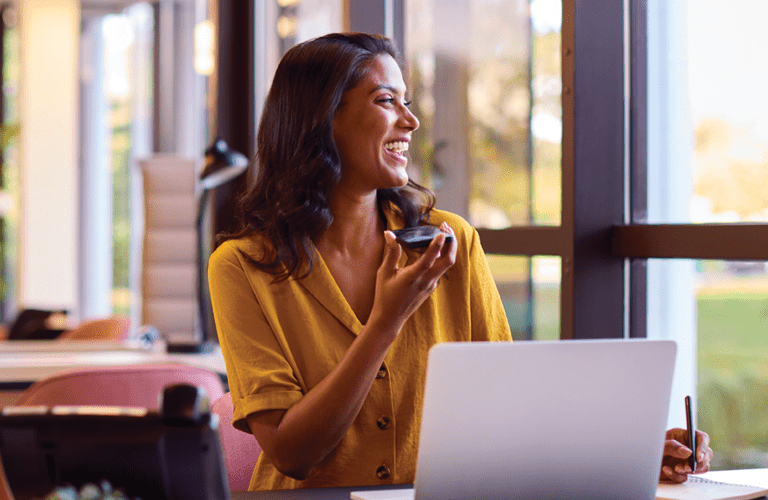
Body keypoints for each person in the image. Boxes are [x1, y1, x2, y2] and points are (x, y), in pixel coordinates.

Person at [208, 32, 712, 491]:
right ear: (320, 118)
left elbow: (510, 410)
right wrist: (386, 322)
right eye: (387, 101)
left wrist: (634, 453)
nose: (411, 120)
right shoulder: (242, 266)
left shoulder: (453, 242)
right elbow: (294, 453)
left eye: (408, 101)